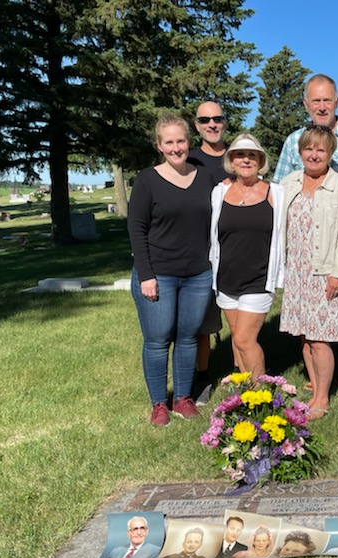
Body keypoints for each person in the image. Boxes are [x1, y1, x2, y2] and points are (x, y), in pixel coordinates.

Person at [274, 73, 338, 398]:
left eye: (326, 100)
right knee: (309, 324)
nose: (321, 106)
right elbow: (277, 192)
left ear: (337, 102)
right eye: (315, 100)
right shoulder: (294, 141)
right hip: (303, 257)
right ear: (306, 103)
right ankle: (318, 376)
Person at [128, 113, 215, 427]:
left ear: (189, 142)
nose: (176, 147)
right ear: (159, 145)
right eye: (169, 142)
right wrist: (146, 275)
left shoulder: (205, 178)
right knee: (157, 340)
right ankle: (158, 403)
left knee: (188, 337)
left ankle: (182, 398)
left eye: (180, 141)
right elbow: (136, 229)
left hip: (198, 274)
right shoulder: (147, 180)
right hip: (158, 273)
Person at [279, 125, 338, 419]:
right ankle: (314, 389)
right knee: (305, 336)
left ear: (330, 153)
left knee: (320, 339)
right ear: (300, 151)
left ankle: (323, 398)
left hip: (325, 272)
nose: (314, 155)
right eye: (308, 148)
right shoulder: (288, 183)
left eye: (320, 150)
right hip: (296, 272)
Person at [210, 134, 284, 382]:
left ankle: (261, 395)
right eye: (240, 155)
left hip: (259, 279)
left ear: (260, 161)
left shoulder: (276, 192)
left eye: (252, 155)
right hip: (226, 278)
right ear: (231, 160)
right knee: (237, 339)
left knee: (244, 339)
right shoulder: (219, 192)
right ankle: (245, 394)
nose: (246, 160)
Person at [188, 101, 229, 404]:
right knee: (201, 323)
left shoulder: (238, 156)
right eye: (205, 120)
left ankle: (243, 374)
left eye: (216, 118)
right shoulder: (188, 160)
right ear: (197, 125)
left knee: (241, 321)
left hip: (236, 251)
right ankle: (202, 377)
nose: (211, 124)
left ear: (225, 121)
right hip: (200, 253)